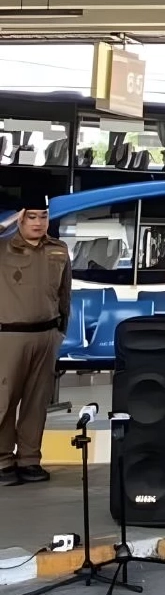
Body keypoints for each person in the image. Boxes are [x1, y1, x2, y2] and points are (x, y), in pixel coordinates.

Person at [0, 197, 71, 486]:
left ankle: (29, 459)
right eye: (31, 217)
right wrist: (5, 222)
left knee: (36, 401)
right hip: (9, 334)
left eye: (43, 216)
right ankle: (3, 459)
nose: (39, 222)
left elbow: (65, 293)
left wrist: (60, 331)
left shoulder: (58, 249)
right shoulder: (4, 248)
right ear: (20, 218)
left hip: (46, 334)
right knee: (4, 400)